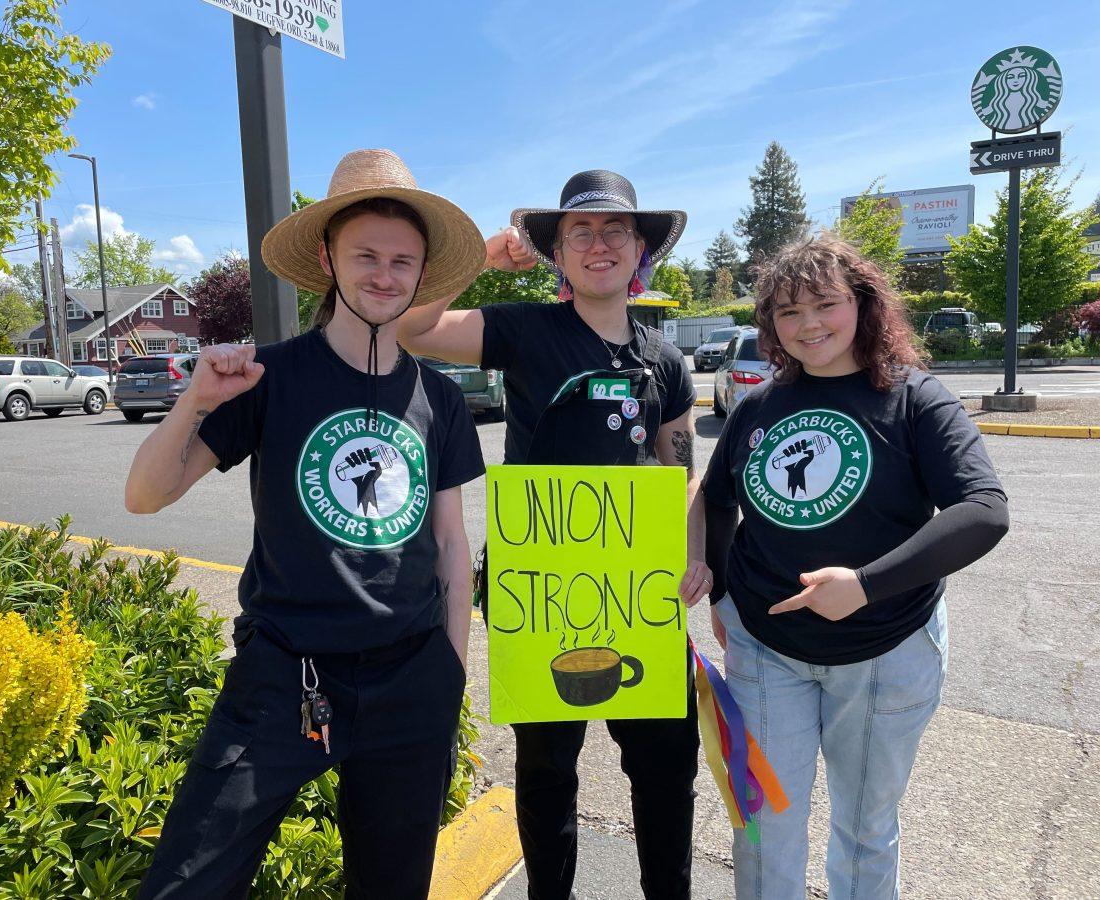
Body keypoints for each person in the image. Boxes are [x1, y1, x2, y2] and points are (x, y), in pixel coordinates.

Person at [126, 148, 487, 899]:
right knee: (187, 881)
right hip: (284, 671)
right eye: (366, 255)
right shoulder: (269, 376)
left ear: (421, 275)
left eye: (401, 261)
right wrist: (194, 402)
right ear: (328, 257)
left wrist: (450, 676)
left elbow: (452, 546)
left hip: (411, 677)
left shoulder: (441, 402)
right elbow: (145, 498)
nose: (383, 275)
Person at [399, 169, 711, 900]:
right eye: (581, 232)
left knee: (667, 770)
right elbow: (412, 328)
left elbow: (682, 475)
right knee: (544, 774)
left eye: (615, 231)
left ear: (640, 251)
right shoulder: (522, 329)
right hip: (537, 594)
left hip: (642, 596)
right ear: (559, 253)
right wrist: (479, 256)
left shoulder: (665, 361)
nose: (599, 244)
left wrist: (695, 556)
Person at [701, 234, 1010, 899]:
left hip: (885, 652)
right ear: (771, 325)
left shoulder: (915, 399)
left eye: (824, 304)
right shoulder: (759, 405)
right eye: (787, 312)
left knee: (866, 831)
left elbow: (984, 511)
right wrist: (723, 598)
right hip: (766, 654)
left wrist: (866, 586)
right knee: (761, 825)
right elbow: (718, 498)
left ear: (863, 305)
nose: (808, 324)